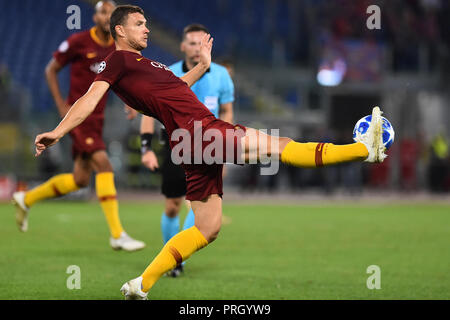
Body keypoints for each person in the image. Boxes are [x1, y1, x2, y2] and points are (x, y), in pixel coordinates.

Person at [33, 5, 387, 300]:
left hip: (189, 142)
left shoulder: (150, 65)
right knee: (279, 147)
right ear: (120, 31)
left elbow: (170, 90)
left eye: (147, 23)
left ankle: (141, 284)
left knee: (208, 227)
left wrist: (202, 66)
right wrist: (60, 131)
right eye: (139, 24)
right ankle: (362, 149)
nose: (147, 29)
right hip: (200, 132)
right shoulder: (117, 61)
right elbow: (88, 99)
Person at [12, 1, 145, 252]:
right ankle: (117, 234)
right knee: (104, 164)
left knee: (81, 180)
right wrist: (62, 105)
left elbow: (122, 80)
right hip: (77, 117)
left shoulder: (118, 51)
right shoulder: (78, 42)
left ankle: (26, 198)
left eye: (111, 12)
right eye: (103, 12)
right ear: (94, 16)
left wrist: (130, 102)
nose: (107, 17)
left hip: (97, 119)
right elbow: (51, 69)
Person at [139, 23, 235, 277]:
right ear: (182, 46)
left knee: (198, 205)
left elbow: (226, 112)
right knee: (172, 205)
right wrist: (146, 148)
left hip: (209, 147)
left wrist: (225, 149)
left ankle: (176, 259)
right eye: (192, 43)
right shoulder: (167, 74)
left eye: (201, 43)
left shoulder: (222, 75)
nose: (196, 49)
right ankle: (174, 257)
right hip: (175, 144)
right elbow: (148, 114)